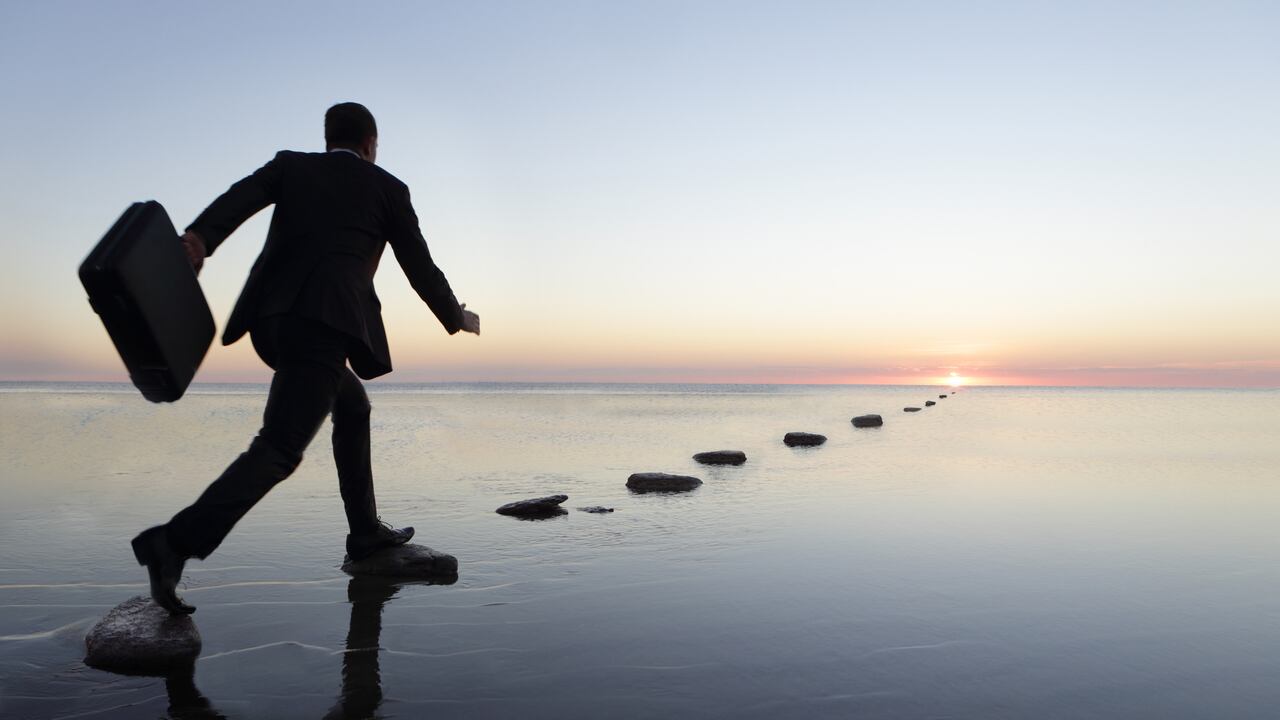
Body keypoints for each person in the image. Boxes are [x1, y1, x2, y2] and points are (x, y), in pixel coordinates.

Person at [131, 102, 479, 614]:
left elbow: (241, 197)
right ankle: (173, 544)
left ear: (328, 139)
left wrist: (200, 239)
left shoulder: (292, 166)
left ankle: (364, 533)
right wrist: (457, 316)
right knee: (279, 449)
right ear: (370, 144)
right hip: (325, 324)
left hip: (271, 323)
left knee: (353, 407)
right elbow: (419, 268)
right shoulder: (388, 188)